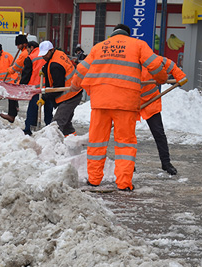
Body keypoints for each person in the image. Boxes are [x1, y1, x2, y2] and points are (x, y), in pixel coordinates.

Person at [71, 24, 188, 191]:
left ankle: (94, 179)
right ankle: (124, 183)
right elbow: (156, 65)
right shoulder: (137, 45)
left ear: (113, 35)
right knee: (125, 144)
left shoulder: (99, 47)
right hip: (125, 103)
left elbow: (81, 70)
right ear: (128, 34)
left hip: (100, 103)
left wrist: (74, 86)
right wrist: (161, 79)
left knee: (97, 142)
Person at [139, 59, 186, 175]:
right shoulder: (127, 63)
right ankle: (128, 165)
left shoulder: (152, 61)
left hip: (150, 102)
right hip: (130, 103)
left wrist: (180, 76)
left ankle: (166, 163)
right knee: (126, 137)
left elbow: (169, 64)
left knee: (159, 133)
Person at [39, 41, 83, 137]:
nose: (43, 57)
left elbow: (57, 87)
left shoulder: (55, 66)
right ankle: (73, 142)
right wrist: (45, 70)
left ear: (51, 50)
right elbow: (52, 63)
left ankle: (52, 146)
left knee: (56, 125)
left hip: (70, 95)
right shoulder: (58, 54)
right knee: (66, 124)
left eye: (45, 54)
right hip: (75, 91)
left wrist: (44, 98)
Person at [20, 41, 50, 135]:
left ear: (32, 47)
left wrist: (22, 86)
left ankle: (29, 129)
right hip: (49, 88)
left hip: (36, 89)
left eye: (28, 49)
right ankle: (50, 128)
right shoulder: (47, 54)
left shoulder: (31, 57)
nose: (28, 51)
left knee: (33, 109)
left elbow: (26, 74)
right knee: (48, 109)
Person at [0, 35, 29, 123]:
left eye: (18, 45)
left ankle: (11, 115)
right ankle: (15, 108)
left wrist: (10, 69)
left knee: (11, 92)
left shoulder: (24, 54)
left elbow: (17, 66)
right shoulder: (26, 52)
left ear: (23, 44)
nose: (17, 47)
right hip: (26, 77)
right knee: (13, 91)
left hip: (27, 79)